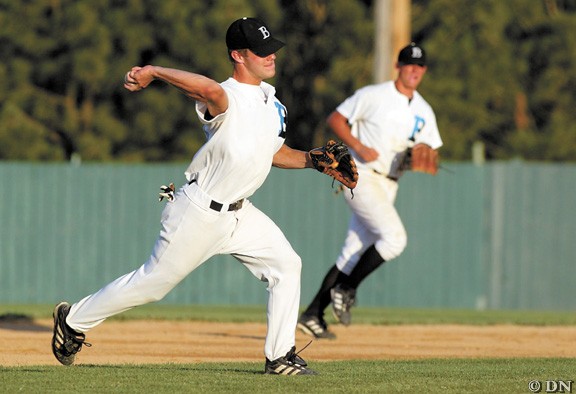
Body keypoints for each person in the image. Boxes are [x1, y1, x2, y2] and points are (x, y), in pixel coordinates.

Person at [51, 17, 320, 375]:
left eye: (272, 49)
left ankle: (280, 357)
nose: (271, 56)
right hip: (200, 212)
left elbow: (273, 153)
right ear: (238, 56)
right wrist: (153, 71)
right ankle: (73, 321)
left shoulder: (272, 103)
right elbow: (208, 90)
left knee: (287, 265)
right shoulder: (226, 96)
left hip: (241, 215)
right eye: (261, 51)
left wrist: (314, 161)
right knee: (151, 285)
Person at [297, 43, 443, 339]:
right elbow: (336, 118)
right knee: (395, 238)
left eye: (420, 66)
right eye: (409, 64)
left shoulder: (424, 110)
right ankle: (347, 288)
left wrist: (421, 157)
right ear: (398, 66)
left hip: (390, 182)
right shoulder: (374, 94)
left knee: (352, 252)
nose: (414, 70)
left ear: (424, 70)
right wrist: (359, 145)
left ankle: (313, 313)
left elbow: (429, 150)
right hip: (360, 175)